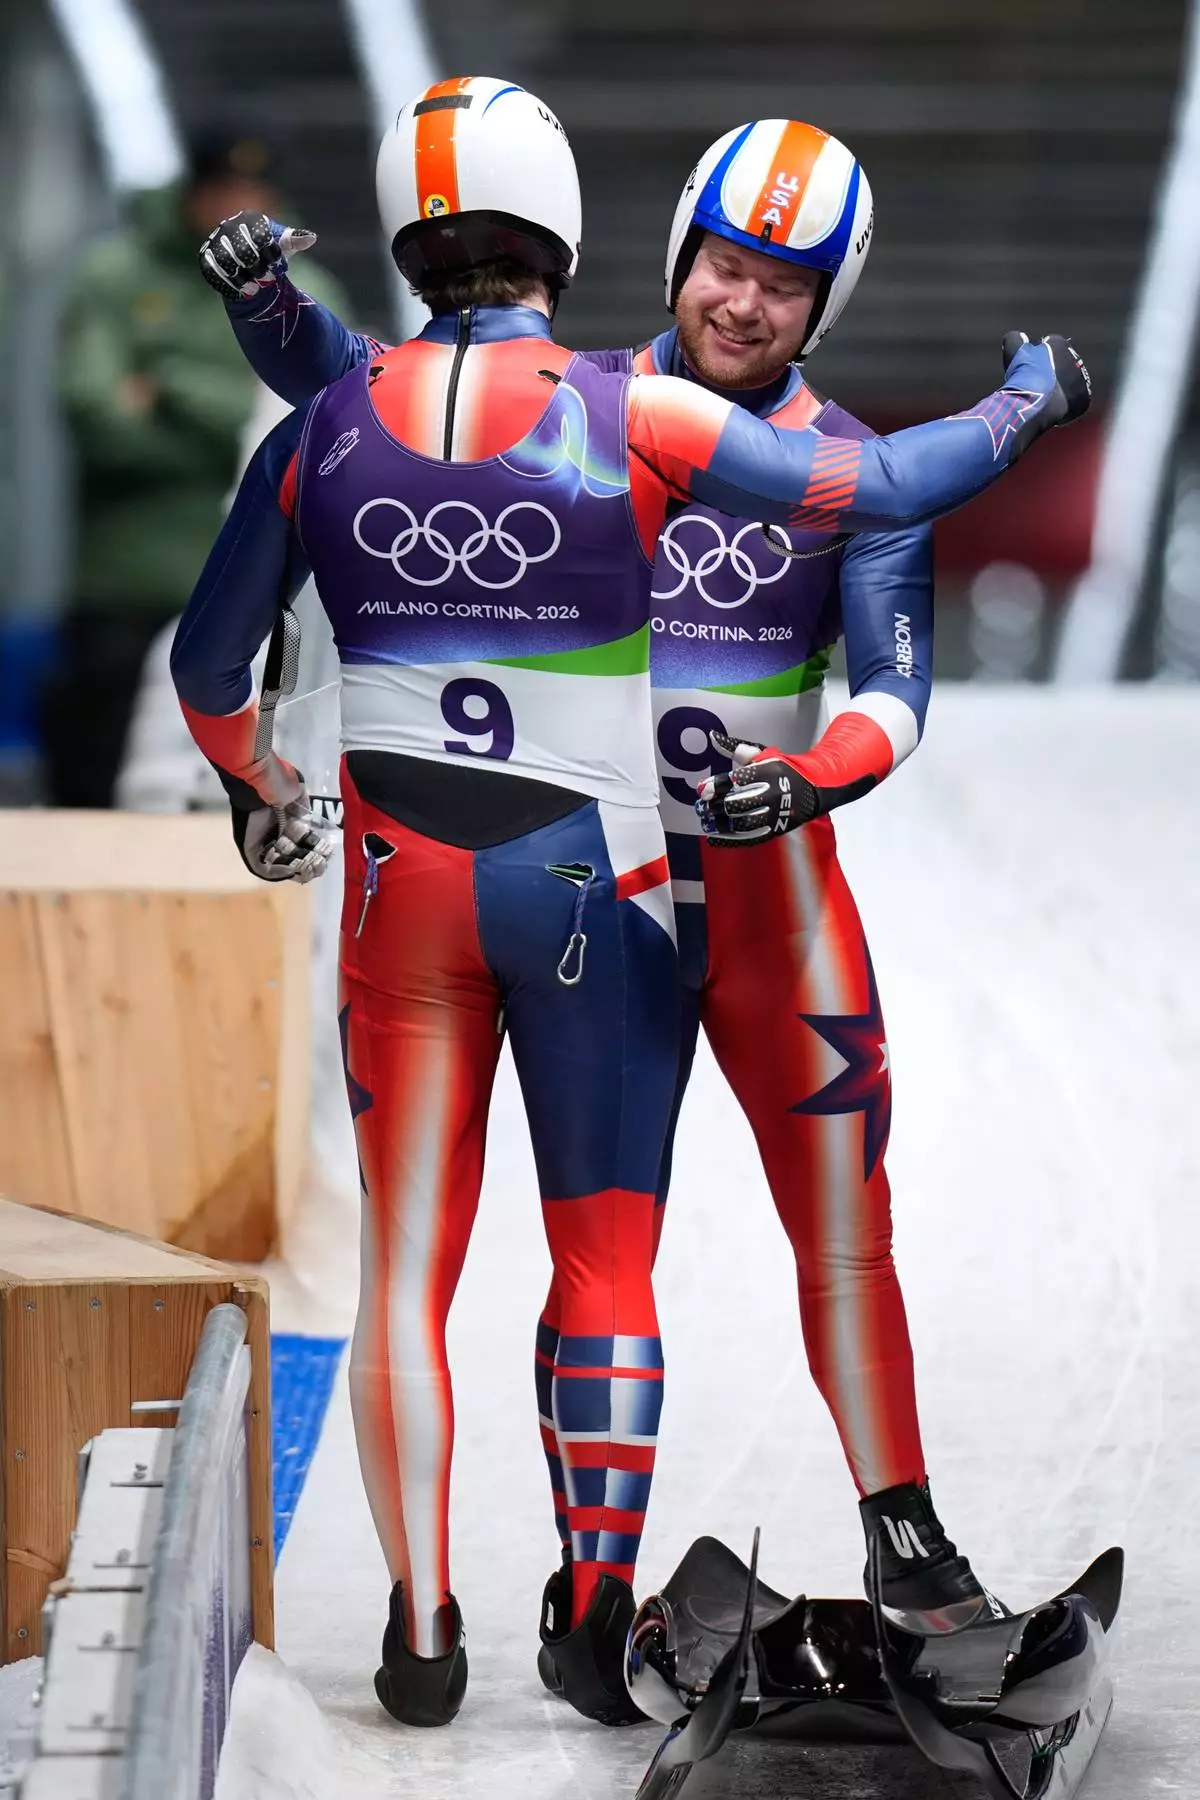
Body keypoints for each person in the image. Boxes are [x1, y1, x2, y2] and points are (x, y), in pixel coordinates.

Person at [173, 75, 1088, 1729]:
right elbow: (359, 394)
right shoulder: (607, 401)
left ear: (828, 302)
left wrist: (811, 780)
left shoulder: (823, 456)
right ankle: (598, 1596)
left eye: (785, 283)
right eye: (725, 264)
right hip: (614, 884)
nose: (744, 300)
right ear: (673, 258)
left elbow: (892, 682)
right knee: (615, 1249)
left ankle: (900, 1526)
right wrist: (267, 309)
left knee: (839, 1232)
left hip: (760, 901)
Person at [43, 134, 350, 808]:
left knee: (258, 787)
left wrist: (172, 387)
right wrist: (245, 416)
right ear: (192, 191)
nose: (236, 206)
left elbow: (333, 431)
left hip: (261, 581)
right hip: (132, 577)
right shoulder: (116, 275)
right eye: (222, 191)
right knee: (99, 787)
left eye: (252, 194)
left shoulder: (308, 288)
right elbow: (99, 421)